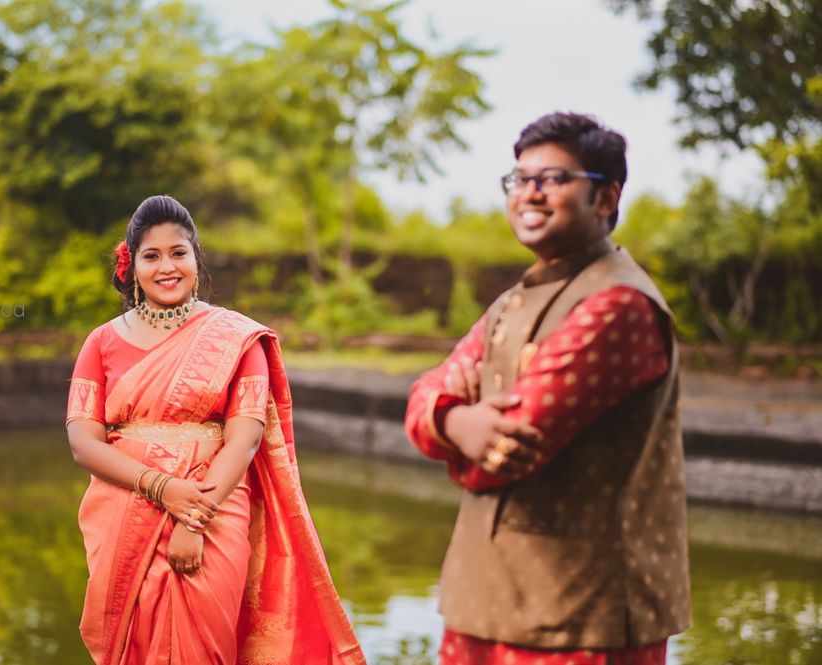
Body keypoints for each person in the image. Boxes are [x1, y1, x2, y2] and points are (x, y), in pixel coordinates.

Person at [405, 112, 690, 664]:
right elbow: (425, 396)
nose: (530, 194)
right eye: (520, 179)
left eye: (553, 179)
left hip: (581, 611)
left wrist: (458, 433)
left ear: (605, 199)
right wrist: (455, 422)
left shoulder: (617, 305)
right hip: (484, 594)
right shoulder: (518, 298)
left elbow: (505, 452)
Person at [66, 195, 364, 665]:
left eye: (178, 252)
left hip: (214, 511)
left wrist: (193, 518)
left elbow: (243, 441)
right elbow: (83, 443)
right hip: (125, 510)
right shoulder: (101, 342)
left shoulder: (237, 339)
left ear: (196, 259)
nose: (167, 266)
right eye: (152, 255)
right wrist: (162, 488)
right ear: (133, 265)